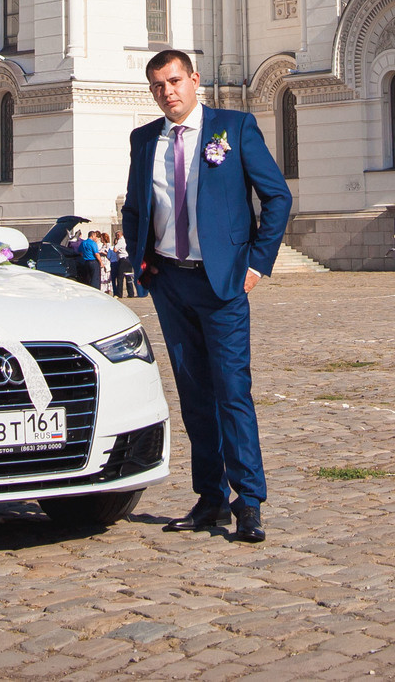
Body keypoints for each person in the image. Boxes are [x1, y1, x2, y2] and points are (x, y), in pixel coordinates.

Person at [124, 49, 290, 543]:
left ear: (194, 80)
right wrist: (142, 266)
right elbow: (137, 206)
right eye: (157, 86)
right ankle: (210, 498)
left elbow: (276, 196)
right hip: (170, 283)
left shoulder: (233, 129)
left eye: (174, 81)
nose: (167, 92)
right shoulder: (143, 140)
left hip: (221, 282)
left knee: (232, 392)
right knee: (194, 394)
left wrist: (258, 262)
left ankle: (250, 502)